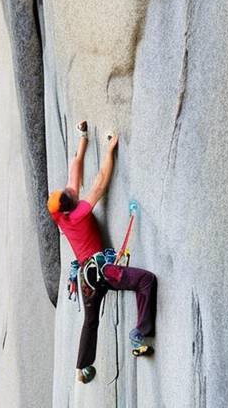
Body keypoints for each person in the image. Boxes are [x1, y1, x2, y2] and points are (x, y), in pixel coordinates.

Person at [47, 121, 157, 384]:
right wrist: (110, 150)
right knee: (146, 280)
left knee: (91, 322)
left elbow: (74, 171)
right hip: (102, 271)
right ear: (71, 203)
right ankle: (139, 333)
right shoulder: (79, 213)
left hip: (86, 279)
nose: (71, 189)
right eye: (69, 193)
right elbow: (98, 185)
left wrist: (83, 138)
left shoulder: (61, 216)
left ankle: (82, 368)